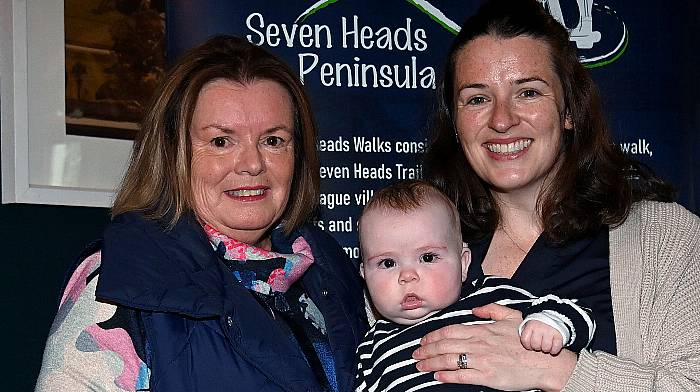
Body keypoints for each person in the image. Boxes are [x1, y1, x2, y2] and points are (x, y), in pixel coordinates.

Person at [35, 35, 368, 392]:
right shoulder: (118, 279)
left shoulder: (329, 267)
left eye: (273, 140)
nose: (253, 164)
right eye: (221, 141)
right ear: (173, 154)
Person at [416, 0, 700, 390]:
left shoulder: (664, 239)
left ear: (569, 111)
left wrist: (555, 370)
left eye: (528, 93)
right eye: (478, 99)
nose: (502, 119)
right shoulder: (415, 248)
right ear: (456, 122)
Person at [355, 180, 595, 391]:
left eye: (427, 258)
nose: (407, 276)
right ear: (364, 274)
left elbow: (578, 313)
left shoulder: (493, 298)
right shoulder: (371, 349)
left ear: (463, 263)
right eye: (387, 263)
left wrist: (551, 324)